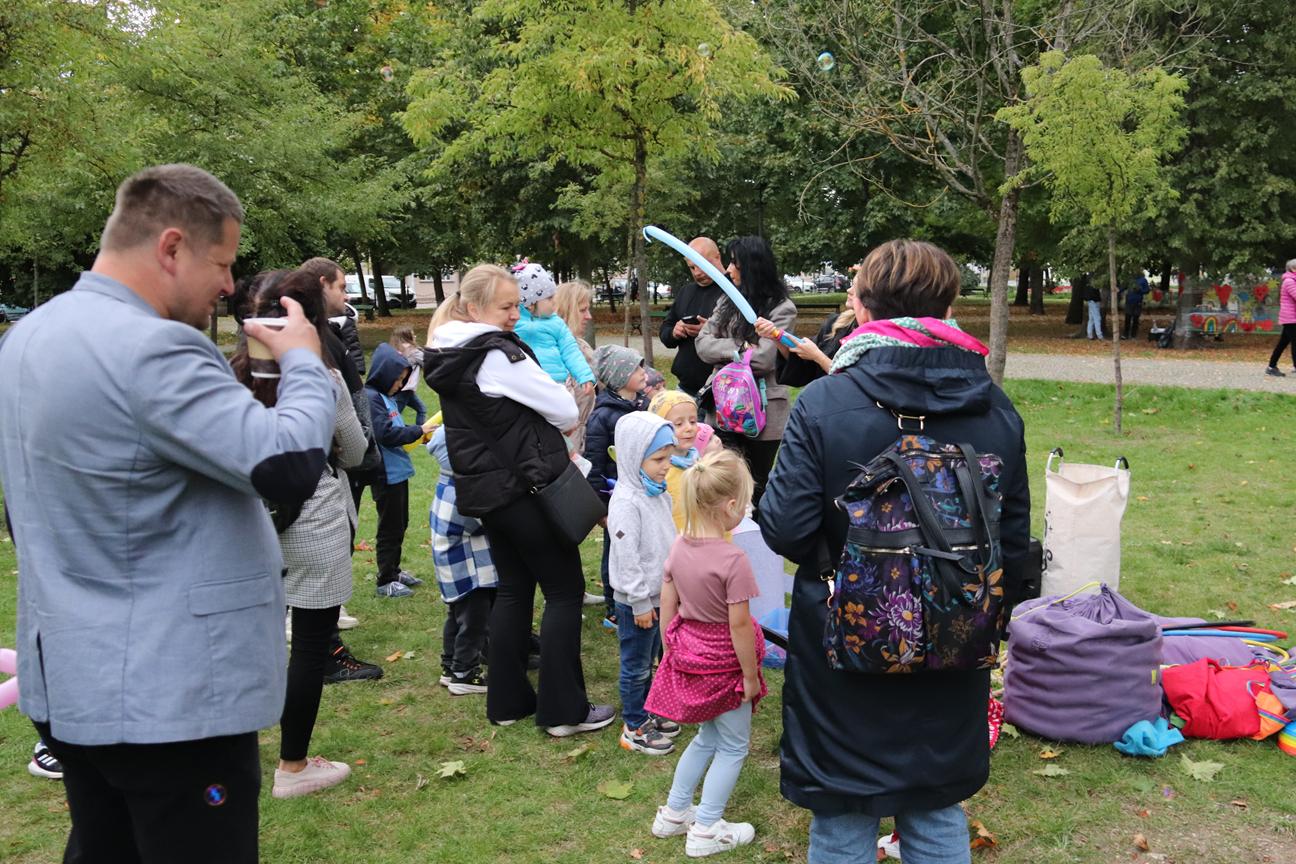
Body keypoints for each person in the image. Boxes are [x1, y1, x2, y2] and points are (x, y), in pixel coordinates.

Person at [0, 163, 336, 863]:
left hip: (74, 678)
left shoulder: (31, 335)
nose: (228, 285)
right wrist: (306, 361)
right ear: (172, 247)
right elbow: (287, 464)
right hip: (169, 698)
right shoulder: (153, 346)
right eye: (222, 262)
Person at [758, 239, 1031, 864]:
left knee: (842, 810)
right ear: (948, 306)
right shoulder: (995, 407)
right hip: (956, 630)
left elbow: (785, 528)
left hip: (843, 633)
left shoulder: (825, 402)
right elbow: (1013, 541)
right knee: (935, 806)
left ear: (861, 308)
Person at [423, 264, 615, 736]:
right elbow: (565, 409)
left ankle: (507, 701)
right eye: (506, 306)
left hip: (488, 492)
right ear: (474, 308)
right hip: (524, 487)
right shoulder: (495, 355)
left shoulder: (449, 351)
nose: (515, 314)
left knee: (513, 588)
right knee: (564, 590)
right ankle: (564, 711)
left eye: (517, 304)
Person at [230, 270, 368, 799]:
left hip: (248, 523)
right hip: (313, 520)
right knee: (310, 647)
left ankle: (236, 753)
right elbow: (354, 449)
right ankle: (292, 766)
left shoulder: (227, 377)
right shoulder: (322, 378)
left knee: (249, 640)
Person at [644, 449, 766, 858]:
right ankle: (707, 828)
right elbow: (740, 625)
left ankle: (674, 813)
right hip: (725, 666)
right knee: (733, 746)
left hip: (691, 658)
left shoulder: (679, 546)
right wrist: (749, 676)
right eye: (745, 503)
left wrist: (670, 653)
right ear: (729, 506)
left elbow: (667, 604)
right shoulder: (733, 560)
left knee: (706, 737)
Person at [694, 236, 797, 518]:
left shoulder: (782, 308)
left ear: (751, 267)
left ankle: (755, 541)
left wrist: (727, 351)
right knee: (721, 485)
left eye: (734, 263)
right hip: (721, 409)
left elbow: (764, 359)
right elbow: (702, 344)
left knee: (755, 489)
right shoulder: (726, 301)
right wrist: (740, 349)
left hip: (762, 416)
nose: (728, 270)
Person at [609, 412, 682, 756]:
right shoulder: (627, 502)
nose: (666, 466)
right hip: (637, 602)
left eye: (668, 457)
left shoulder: (656, 492)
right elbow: (627, 558)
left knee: (653, 659)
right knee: (636, 665)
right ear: (632, 456)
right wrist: (639, 602)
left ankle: (649, 711)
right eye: (658, 459)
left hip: (659, 596)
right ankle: (635, 726)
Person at [429, 425, 498, 695]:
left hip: (456, 572)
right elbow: (480, 521)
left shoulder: (445, 484)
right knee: (473, 623)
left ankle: (449, 666)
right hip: (470, 574)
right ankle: (464, 673)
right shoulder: (462, 492)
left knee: (456, 619)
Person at [364, 343, 437, 598]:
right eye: (398, 379)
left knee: (400, 524)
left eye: (403, 380)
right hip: (386, 475)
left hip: (398, 473)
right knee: (390, 528)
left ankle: (394, 571)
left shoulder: (385, 398)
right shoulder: (372, 398)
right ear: (384, 374)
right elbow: (385, 434)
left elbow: (395, 427)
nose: (400, 385)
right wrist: (418, 430)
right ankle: (385, 580)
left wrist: (417, 433)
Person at [584, 344, 649, 627]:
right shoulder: (602, 417)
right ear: (620, 377)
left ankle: (640, 594)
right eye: (636, 369)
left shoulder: (643, 405)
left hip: (642, 495)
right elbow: (594, 464)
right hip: (615, 500)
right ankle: (614, 606)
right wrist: (601, 509)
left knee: (639, 548)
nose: (643, 373)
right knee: (617, 550)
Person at [512, 262, 596, 437]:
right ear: (531, 303)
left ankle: (568, 446)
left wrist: (584, 376)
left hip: (558, 382)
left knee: (564, 421)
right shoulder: (515, 322)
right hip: (529, 383)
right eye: (549, 298)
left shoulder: (556, 324)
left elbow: (570, 351)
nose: (554, 303)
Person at [756, 280, 860, 386]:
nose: (849, 290)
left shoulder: (868, 337)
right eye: (852, 285)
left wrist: (818, 356)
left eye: (857, 287)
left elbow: (854, 383)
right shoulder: (837, 323)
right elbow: (806, 366)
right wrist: (775, 335)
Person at [659, 236, 726, 396]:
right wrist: (674, 332)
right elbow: (665, 332)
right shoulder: (686, 292)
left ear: (717, 257)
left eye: (702, 265)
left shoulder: (734, 291)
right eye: (692, 267)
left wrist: (708, 330)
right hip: (686, 388)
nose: (697, 273)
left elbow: (745, 340)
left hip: (723, 390)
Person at [648, 390, 703, 533]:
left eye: (693, 421)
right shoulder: (658, 472)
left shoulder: (700, 463)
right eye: (679, 424)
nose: (689, 428)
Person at [554, 279, 598, 453]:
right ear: (565, 311)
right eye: (582, 310)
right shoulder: (551, 354)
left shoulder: (581, 347)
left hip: (582, 444)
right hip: (562, 448)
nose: (589, 316)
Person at [389, 325, 430, 424]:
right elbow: (428, 362)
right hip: (405, 389)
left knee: (422, 409)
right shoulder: (413, 352)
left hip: (402, 388)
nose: (415, 337)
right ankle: (392, 430)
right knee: (395, 415)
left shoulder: (396, 350)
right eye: (412, 335)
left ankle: (420, 431)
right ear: (407, 338)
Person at [1265, 259, 1296, 376]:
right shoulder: (1289, 281)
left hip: (1292, 317)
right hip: (1291, 318)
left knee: (1283, 343)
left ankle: (1271, 366)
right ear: (1293, 269)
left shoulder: (1293, 280)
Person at [1123, 273, 1150, 340]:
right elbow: (1123, 287)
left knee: (1135, 319)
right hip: (1129, 302)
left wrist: (1140, 290)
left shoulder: (1143, 280)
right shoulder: (1129, 279)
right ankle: (1125, 335)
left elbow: (1147, 290)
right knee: (1127, 318)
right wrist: (1117, 290)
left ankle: (1133, 335)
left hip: (1138, 302)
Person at [1079, 272, 1103, 340]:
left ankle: (1090, 334)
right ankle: (1099, 335)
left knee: (1092, 318)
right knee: (1097, 318)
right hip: (1094, 300)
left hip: (1092, 300)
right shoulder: (1093, 280)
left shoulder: (1088, 280)